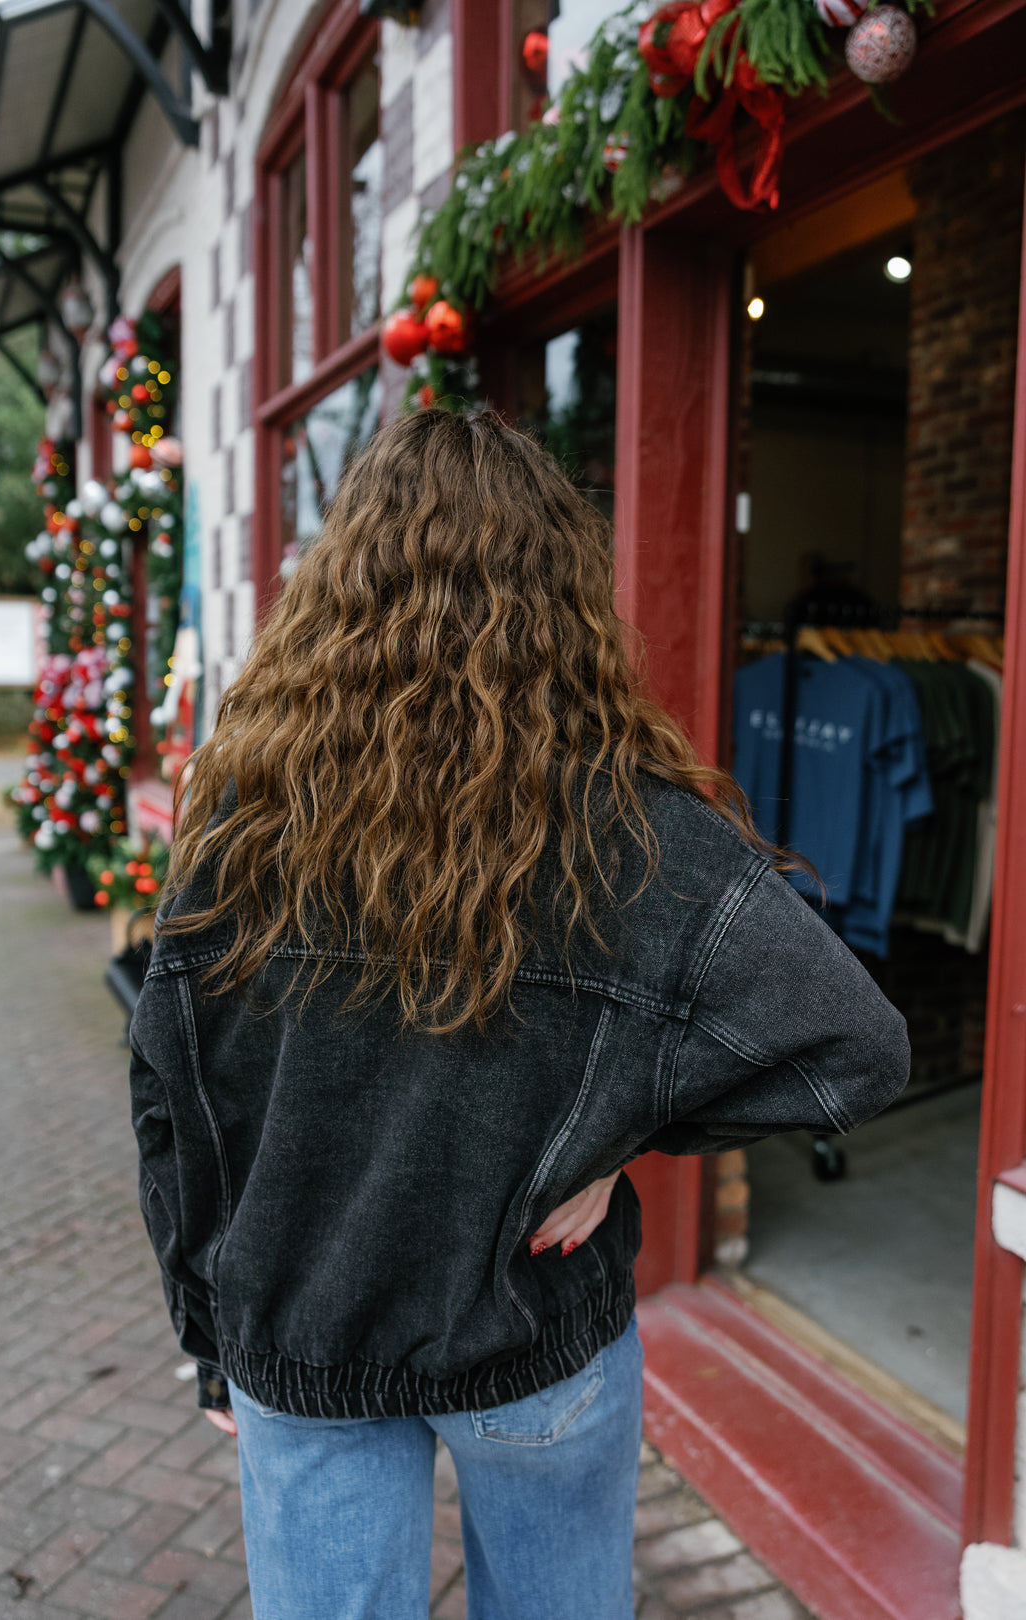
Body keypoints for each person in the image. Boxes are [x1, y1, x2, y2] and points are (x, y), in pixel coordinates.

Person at [129, 408, 910, 1620]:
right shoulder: (637, 838)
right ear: (562, 602)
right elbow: (856, 1043)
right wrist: (623, 1134)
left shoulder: (239, 832)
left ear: (338, 591)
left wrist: (207, 1334)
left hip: (302, 1332)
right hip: (530, 1335)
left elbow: (170, 1102)